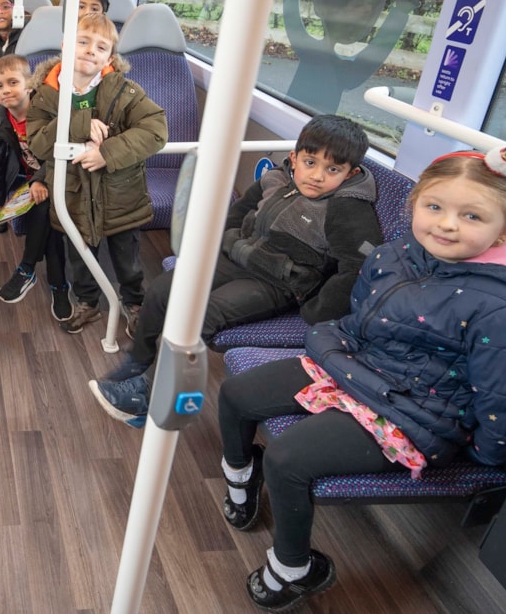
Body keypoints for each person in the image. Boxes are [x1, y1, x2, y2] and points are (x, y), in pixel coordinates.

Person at [215, 134, 506, 611]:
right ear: (414, 206)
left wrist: (480, 462)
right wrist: (332, 344)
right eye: (434, 207)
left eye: (472, 216)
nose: (446, 225)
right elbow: (361, 320)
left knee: (289, 460)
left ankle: (295, 570)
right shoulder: (395, 257)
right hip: (364, 369)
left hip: (420, 414)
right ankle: (242, 474)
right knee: (237, 394)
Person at [90, 115, 383, 425]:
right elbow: (238, 212)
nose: (318, 176)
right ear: (295, 158)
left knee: (201, 313)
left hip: (276, 283)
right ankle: (137, 361)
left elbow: (357, 266)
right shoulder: (277, 179)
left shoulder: (347, 208)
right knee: (165, 289)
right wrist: (221, 246)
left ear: (350, 173)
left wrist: (316, 309)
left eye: (332, 170)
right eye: (310, 163)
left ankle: (148, 394)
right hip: (236, 258)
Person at [26, 12, 167, 335]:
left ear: (109, 57)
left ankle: (134, 303)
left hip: (120, 194)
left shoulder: (124, 91)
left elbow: (156, 130)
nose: (91, 51)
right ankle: (87, 303)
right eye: (83, 42)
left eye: (101, 47)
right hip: (72, 194)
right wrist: (80, 124)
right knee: (79, 256)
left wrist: (107, 153)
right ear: (65, 46)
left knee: (127, 260)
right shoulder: (46, 95)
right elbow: (38, 143)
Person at [0, 54, 71, 319]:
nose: (6, 90)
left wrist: (41, 179)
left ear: (29, 85)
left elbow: (61, 150)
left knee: (45, 206)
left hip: (62, 173)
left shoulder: (48, 111)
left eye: (13, 82)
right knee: (48, 219)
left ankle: (27, 268)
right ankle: (58, 284)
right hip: (26, 177)